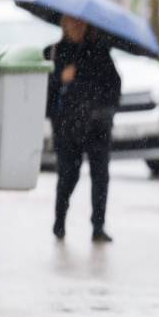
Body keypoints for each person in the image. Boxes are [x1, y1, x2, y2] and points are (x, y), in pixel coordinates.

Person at [45, 15, 121, 243]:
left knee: (101, 176)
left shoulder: (99, 52)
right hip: (67, 127)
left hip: (97, 126)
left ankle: (98, 225)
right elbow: (45, 94)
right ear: (62, 24)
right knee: (68, 175)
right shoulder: (53, 53)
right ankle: (59, 221)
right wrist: (60, 78)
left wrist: (105, 110)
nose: (76, 27)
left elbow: (114, 86)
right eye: (71, 22)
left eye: (80, 23)